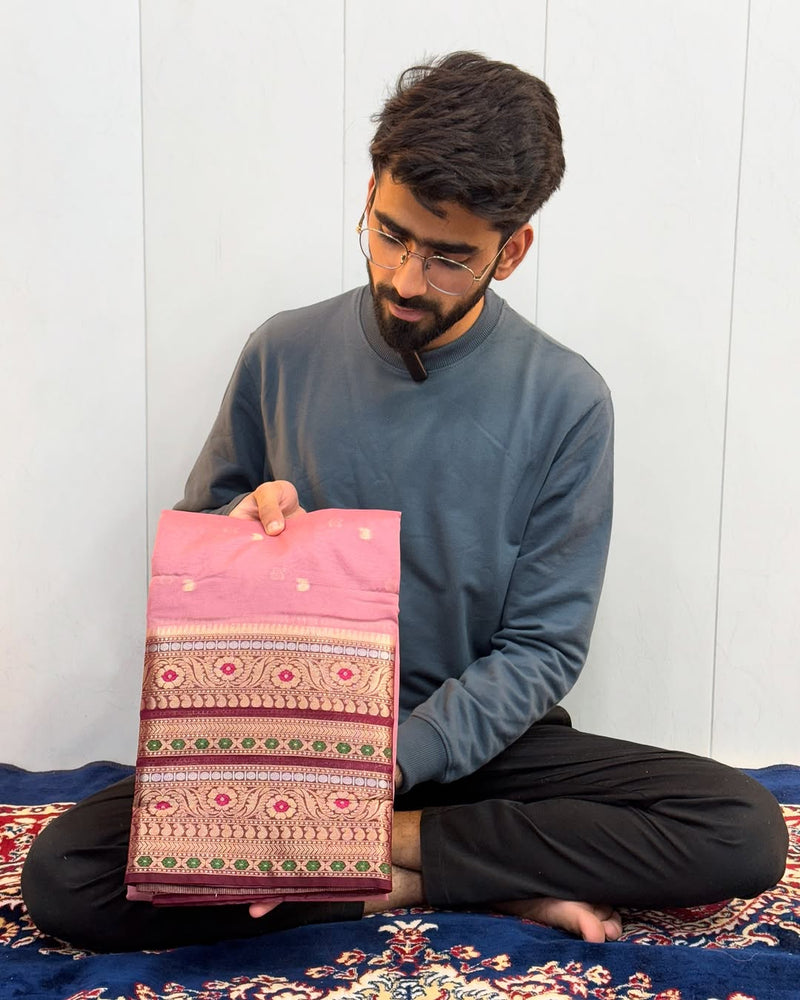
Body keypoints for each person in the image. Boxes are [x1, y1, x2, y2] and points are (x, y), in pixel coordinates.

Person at [22, 51, 787, 953]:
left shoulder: (568, 399)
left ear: (515, 249)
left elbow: (541, 650)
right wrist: (240, 536)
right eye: (388, 233)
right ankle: (465, 884)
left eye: (450, 256)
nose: (406, 278)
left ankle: (374, 855)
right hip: (292, 747)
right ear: (371, 194)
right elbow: (195, 562)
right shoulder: (282, 353)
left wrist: (384, 772)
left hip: (483, 753)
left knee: (743, 827)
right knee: (64, 876)